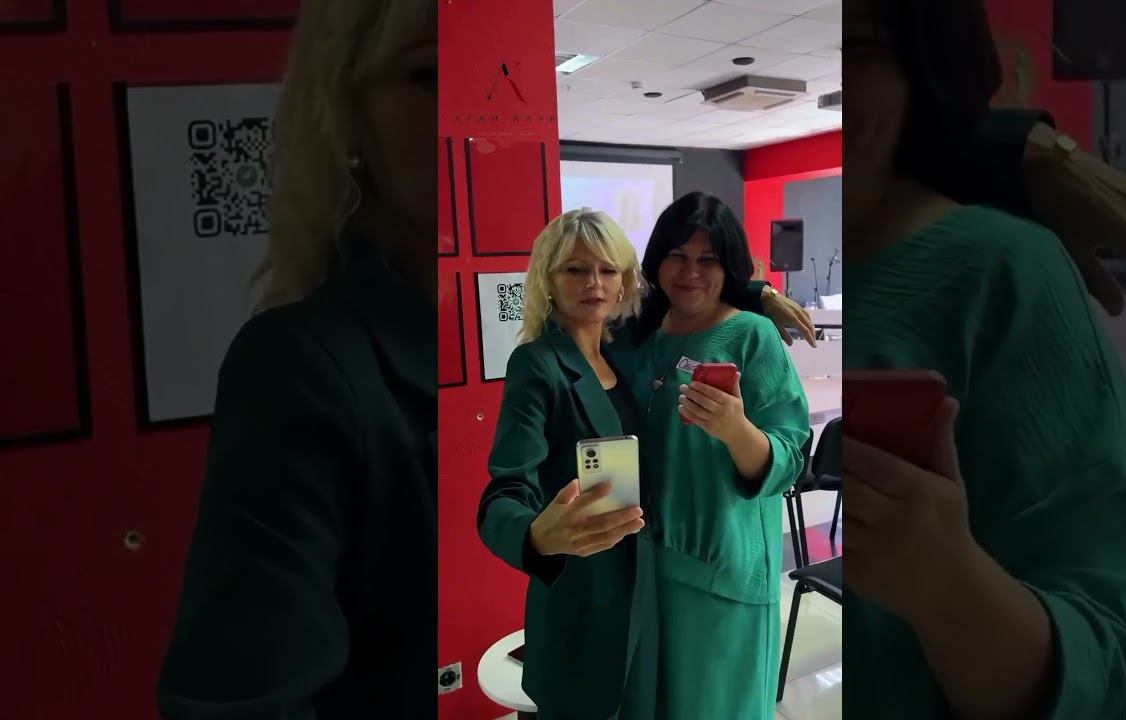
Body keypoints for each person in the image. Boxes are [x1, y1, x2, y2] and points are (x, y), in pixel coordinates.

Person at [842, 1, 1126, 719]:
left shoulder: (1002, 272)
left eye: (858, 42)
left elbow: (1110, 670)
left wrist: (949, 587)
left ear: (921, 63)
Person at [156, 1, 436, 718]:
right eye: (428, 74)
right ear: (349, 116)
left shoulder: (529, 334)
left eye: (500, 71)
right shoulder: (298, 365)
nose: (472, 105)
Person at [477, 208, 806, 720]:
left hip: (648, 593)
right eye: (574, 269)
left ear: (624, 280)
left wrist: (752, 292)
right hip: (587, 594)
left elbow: (685, 290)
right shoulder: (538, 364)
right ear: (547, 279)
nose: (594, 283)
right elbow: (505, 491)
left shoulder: (623, 346)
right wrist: (536, 537)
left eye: (607, 269)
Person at [629, 192, 810, 718]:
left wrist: (736, 431)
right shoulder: (638, 333)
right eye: (678, 256)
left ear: (728, 265)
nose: (691, 272)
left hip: (721, 574)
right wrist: (761, 290)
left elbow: (789, 456)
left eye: (708, 259)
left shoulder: (751, 336)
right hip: (644, 571)